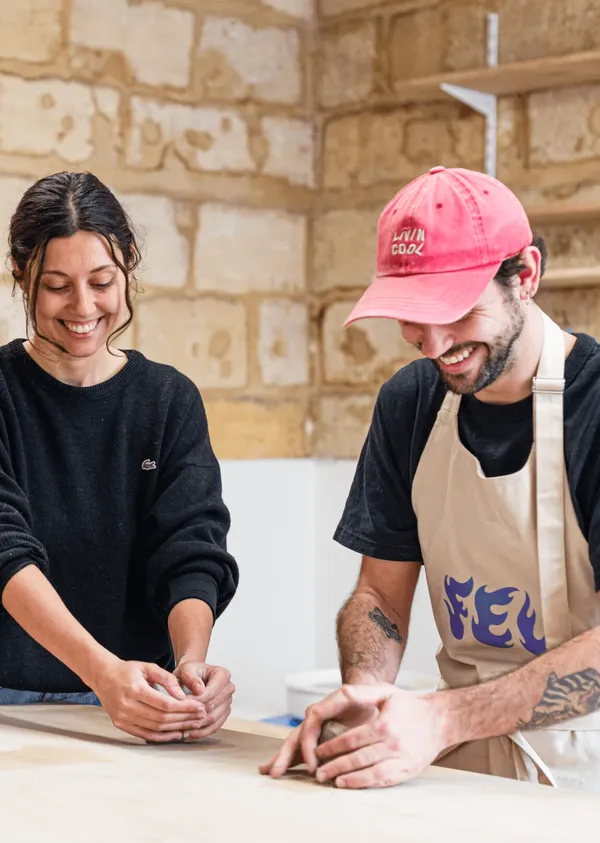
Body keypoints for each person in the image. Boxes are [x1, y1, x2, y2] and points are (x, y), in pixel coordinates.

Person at [261, 165, 600, 791]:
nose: (433, 342)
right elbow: (381, 597)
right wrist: (367, 701)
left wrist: (442, 718)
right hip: (456, 765)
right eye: (412, 315)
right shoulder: (411, 403)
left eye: (456, 310)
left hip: (586, 778)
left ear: (524, 276)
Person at [0, 171, 238, 744]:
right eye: (57, 285)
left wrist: (190, 665)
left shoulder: (168, 400)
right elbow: (5, 550)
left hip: (139, 697)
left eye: (102, 281)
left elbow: (191, 549)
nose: (83, 307)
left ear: (128, 266)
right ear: (20, 277)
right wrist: (101, 673)